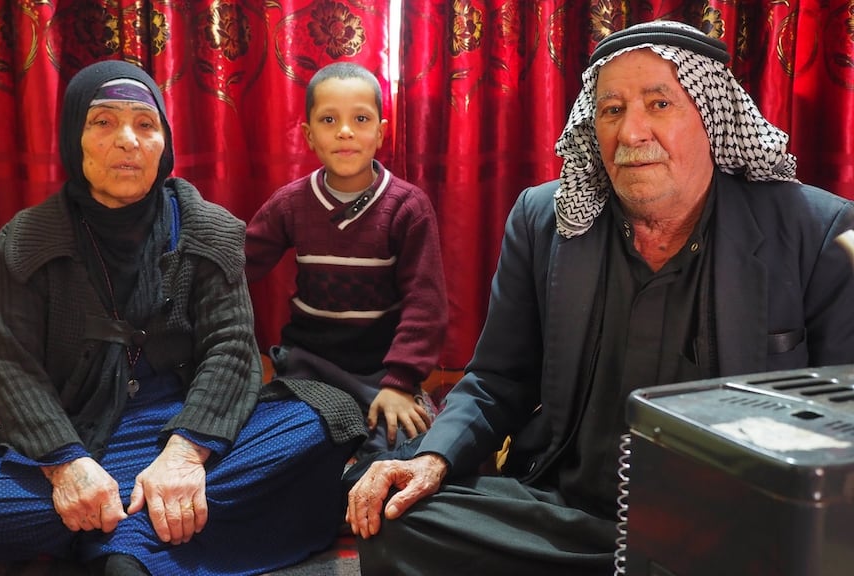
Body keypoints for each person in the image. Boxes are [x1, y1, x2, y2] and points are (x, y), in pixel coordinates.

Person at [345, 20, 854, 576]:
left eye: (659, 104)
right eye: (611, 110)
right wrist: (431, 457)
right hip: (568, 512)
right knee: (398, 518)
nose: (631, 132)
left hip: (727, 530)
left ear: (712, 118)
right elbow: (497, 379)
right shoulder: (545, 220)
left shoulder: (814, 232)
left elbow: (838, 426)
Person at [0, 59, 365, 576]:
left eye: (145, 124)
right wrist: (67, 466)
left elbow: (231, 351)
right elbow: (11, 371)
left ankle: (110, 529)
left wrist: (185, 456)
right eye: (103, 122)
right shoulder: (21, 244)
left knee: (325, 417)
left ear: (163, 144)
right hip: (77, 432)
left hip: (184, 426)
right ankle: (145, 532)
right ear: (73, 138)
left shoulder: (210, 229)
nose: (128, 140)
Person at [244, 62, 448, 459]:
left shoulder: (408, 207)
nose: (344, 131)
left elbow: (426, 306)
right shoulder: (291, 203)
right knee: (283, 448)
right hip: (308, 362)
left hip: (380, 367)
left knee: (402, 451)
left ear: (381, 132)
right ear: (309, 135)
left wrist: (400, 381)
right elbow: (240, 263)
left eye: (360, 119)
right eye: (328, 120)